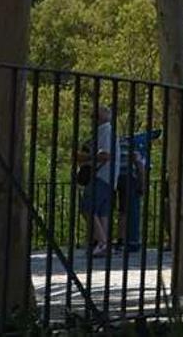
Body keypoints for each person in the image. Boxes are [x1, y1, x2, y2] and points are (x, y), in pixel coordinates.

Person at [76, 106, 119, 257]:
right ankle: (103, 243)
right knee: (102, 213)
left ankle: (102, 243)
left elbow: (105, 155)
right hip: (110, 178)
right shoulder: (108, 132)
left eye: (94, 116)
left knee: (88, 208)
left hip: (100, 176)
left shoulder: (105, 131)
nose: (91, 119)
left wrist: (84, 157)